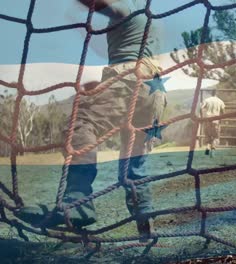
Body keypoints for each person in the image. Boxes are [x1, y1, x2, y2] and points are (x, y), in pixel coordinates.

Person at [16, 0, 164, 242]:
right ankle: (146, 223)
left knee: (81, 121)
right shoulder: (150, 19)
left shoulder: (128, 8)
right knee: (134, 163)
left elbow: (109, 7)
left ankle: (77, 202)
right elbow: (108, 47)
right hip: (155, 89)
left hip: (128, 76)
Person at [200, 90, 225, 156]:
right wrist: (221, 119)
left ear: (211, 93)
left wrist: (202, 117)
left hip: (207, 119)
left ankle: (208, 147)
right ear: (217, 93)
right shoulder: (220, 101)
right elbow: (223, 111)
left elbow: (201, 108)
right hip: (216, 120)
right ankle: (213, 149)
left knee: (207, 135)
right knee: (216, 136)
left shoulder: (206, 100)